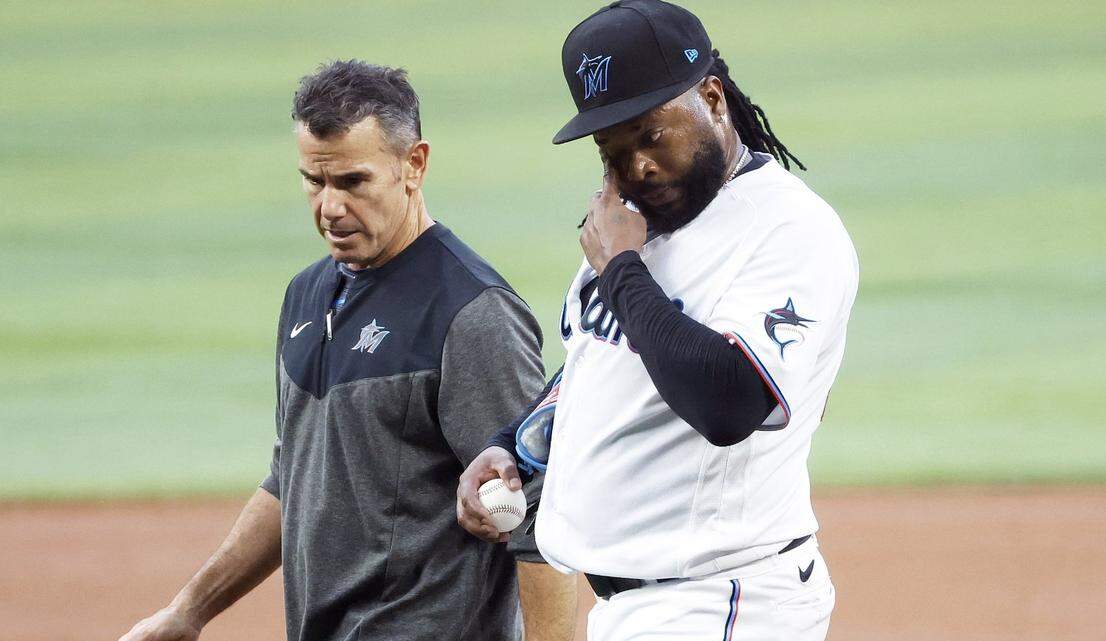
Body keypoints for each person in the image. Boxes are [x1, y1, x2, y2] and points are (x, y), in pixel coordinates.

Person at [120, 60, 577, 641]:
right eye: (315, 181)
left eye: (352, 182)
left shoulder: (470, 313)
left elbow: (539, 512)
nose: (329, 207)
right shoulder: (308, 293)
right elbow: (295, 476)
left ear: (414, 165)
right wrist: (190, 610)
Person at [457, 2, 858, 639]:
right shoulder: (637, 227)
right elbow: (603, 364)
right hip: (642, 608)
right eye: (610, 149)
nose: (636, 167)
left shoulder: (789, 230)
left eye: (650, 135)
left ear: (712, 98)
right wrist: (517, 444)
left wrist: (620, 269)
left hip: (723, 600)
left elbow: (729, 400)